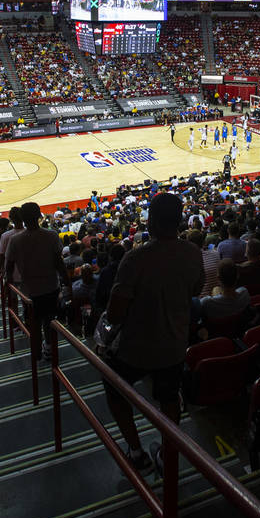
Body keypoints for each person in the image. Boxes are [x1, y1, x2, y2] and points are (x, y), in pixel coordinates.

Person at [102, 192, 203, 475]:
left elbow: (114, 313)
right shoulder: (193, 253)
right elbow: (195, 292)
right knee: (169, 399)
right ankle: (168, 454)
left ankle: (136, 452)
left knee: (114, 388)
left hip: (137, 347)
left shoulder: (135, 259)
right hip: (174, 345)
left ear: (152, 223)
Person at [4, 202, 72, 360]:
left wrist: (9, 285)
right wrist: (67, 284)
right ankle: (49, 348)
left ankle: (36, 352)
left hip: (28, 291)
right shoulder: (51, 235)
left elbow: (8, 266)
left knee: (33, 322)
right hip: (51, 287)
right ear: (39, 215)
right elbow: (59, 263)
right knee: (49, 320)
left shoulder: (15, 240)